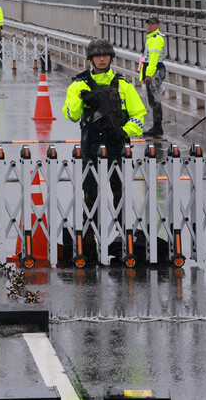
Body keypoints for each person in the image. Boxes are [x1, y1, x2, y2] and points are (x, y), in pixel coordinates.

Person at [63, 38, 145, 263]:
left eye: (105, 55)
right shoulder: (79, 84)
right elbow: (70, 114)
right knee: (90, 198)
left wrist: (124, 132)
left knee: (120, 197)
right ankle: (89, 247)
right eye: (97, 56)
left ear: (111, 58)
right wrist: (81, 100)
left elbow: (140, 116)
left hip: (117, 149)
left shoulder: (123, 85)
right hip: (90, 150)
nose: (101, 59)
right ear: (90, 59)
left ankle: (122, 245)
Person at [141, 16, 165, 136]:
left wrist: (149, 74)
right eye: (148, 24)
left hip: (154, 71)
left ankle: (157, 126)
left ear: (157, 25)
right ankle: (156, 125)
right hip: (152, 70)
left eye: (152, 24)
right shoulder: (150, 38)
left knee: (155, 99)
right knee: (152, 98)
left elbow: (154, 59)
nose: (149, 26)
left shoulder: (156, 38)